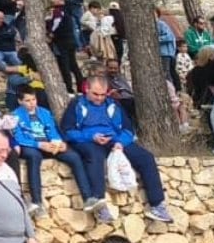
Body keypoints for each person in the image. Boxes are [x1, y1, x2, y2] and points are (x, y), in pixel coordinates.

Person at [60, 74, 173, 223]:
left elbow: (128, 130)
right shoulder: (76, 104)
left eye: (103, 94)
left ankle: (157, 205)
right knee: (94, 157)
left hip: (114, 140)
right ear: (87, 89)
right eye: (95, 94)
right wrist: (91, 136)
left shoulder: (114, 104)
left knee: (146, 158)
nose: (100, 98)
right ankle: (99, 204)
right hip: (88, 140)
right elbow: (68, 131)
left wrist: (120, 142)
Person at [8, 85, 101, 222]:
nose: (32, 103)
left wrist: (58, 142)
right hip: (31, 145)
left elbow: (52, 130)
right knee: (34, 157)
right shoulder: (15, 116)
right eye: (27, 100)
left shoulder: (44, 113)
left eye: (33, 99)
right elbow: (19, 138)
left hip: (49, 144)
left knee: (73, 157)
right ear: (20, 101)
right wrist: (39, 145)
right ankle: (37, 202)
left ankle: (88, 198)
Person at [155, 8, 179, 86]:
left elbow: (169, 36)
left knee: (166, 72)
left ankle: (171, 88)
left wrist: (156, 39)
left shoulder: (161, 24)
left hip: (165, 53)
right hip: (158, 53)